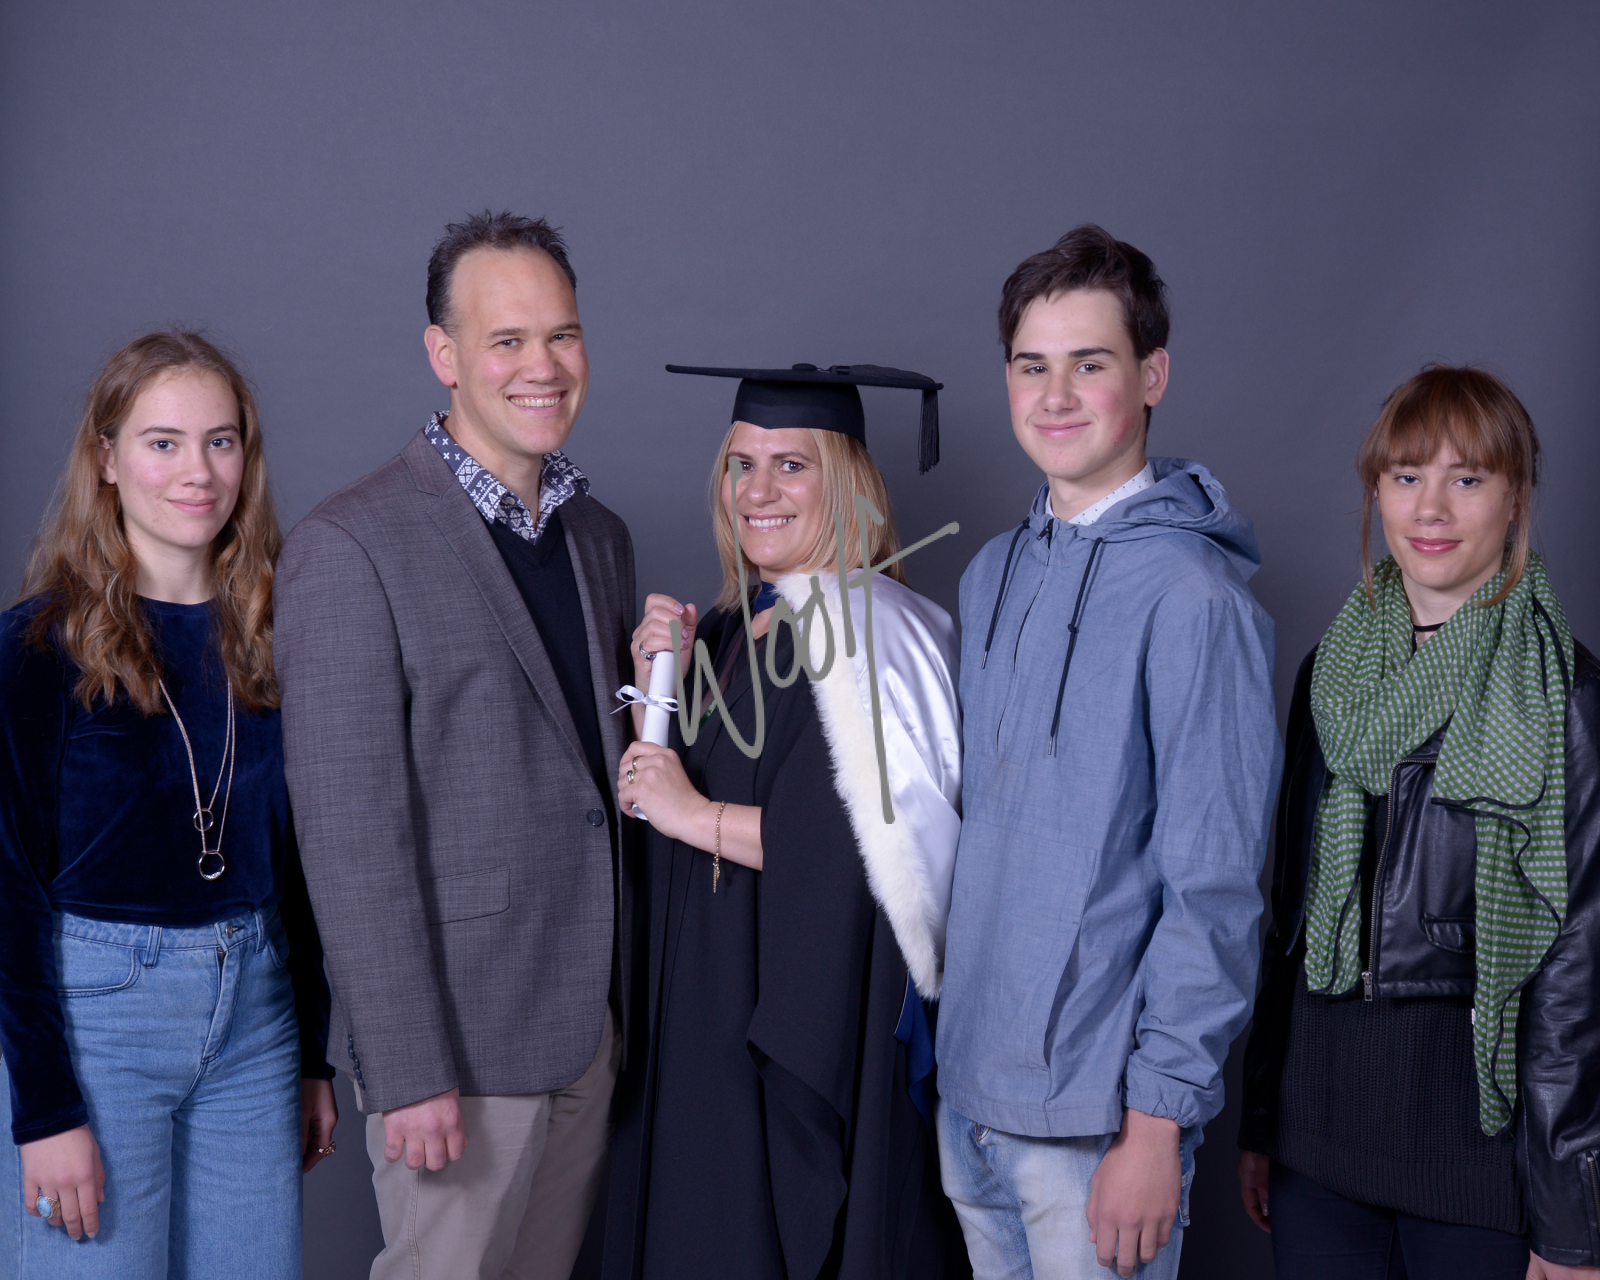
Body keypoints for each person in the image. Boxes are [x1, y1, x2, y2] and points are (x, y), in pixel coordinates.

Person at [273, 211, 635, 1280]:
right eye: (506, 340)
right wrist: (406, 1065)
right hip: (458, 1047)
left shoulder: (598, 537)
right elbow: (348, 838)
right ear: (444, 354)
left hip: (589, 1028)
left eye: (562, 335)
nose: (542, 366)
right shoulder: (351, 546)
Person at [933, 224, 1281, 1280]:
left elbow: (1215, 886)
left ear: (1151, 375)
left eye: (1089, 364)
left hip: (1098, 1124)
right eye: (1031, 366)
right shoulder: (993, 572)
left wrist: (1157, 1123)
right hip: (968, 1095)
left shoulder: (1195, 600)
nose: (1055, 395)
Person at [602, 361, 971, 1278]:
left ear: (845, 485)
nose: (758, 491)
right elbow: (657, 802)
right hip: (701, 1014)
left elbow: (862, 849)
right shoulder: (734, 629)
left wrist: (692, 813)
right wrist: (659, 693)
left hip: (788, 1026)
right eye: (742, 464)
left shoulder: (871, 635)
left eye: (791, 466)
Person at [1236, 366, 1600, 1280]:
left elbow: (1578, 974)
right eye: (1406, 476)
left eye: (1467, 478)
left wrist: (1571, 1218)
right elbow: (1290, 916)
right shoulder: (1328, 674)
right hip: (1319, 1147)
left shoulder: (1568, 696)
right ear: (1376, 491)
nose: (1431, 508)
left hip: (1480, 1164)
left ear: (1516, 497)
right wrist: (1264, 1121)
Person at [0, 331, 337, 1278]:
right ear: (107, 459)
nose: (198, 471)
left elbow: (303, 861)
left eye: (220, 442)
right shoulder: (37, 646)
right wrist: (44, 1111)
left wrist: (312, 1055)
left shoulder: (281, 634)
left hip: (255, 1017)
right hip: (99, 1019)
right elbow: (7, 889)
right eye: (164, 443)